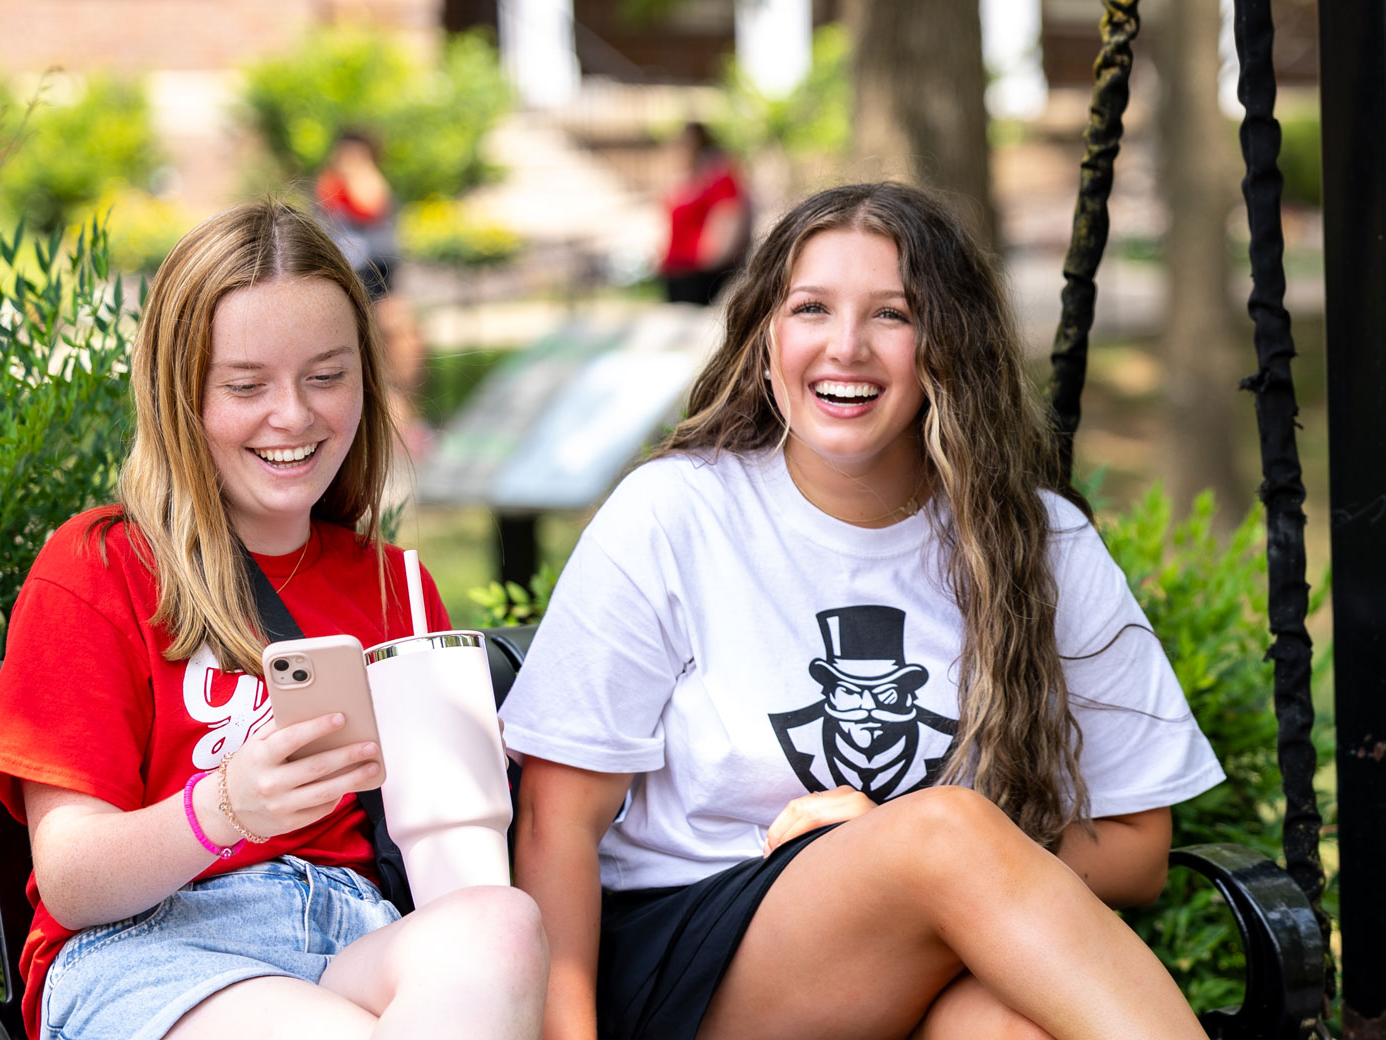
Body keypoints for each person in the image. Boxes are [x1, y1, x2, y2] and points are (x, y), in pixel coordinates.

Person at [504, 182, 1221, 1040]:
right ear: (767, 339)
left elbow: (1138, 847)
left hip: (919, 967)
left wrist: (902, 858)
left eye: (891, 314)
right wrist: (925, 849)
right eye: (811, 308)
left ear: (948, 346)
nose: (846, 348)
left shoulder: (1039, 540)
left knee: (1007, 1029)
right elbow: (557, 824)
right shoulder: (675, 514)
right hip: (689, 965)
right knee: (949, 831)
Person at [0, 201, 547, 1040]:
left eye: (327, 376)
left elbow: (447, 873)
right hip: (158, 948)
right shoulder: (101, 567)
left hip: (358, 933)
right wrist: (225, 807)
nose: (295, 416)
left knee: (502, 926)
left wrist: (477, 783)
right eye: (246, 386)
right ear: (179, 395)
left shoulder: (401, 588)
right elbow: (72, 878)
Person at [313, 131, 429, 458]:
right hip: (340, 295)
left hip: (378, 295)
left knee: (404, 336)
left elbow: (388, 256)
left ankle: (405, 420)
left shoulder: (380, 199)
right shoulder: (326, 196)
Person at [656, 121, 750, 306]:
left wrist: (710, 263)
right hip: (677, 270)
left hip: (701, 274)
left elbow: (729, 221)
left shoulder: (718, 179)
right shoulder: (684, 183)